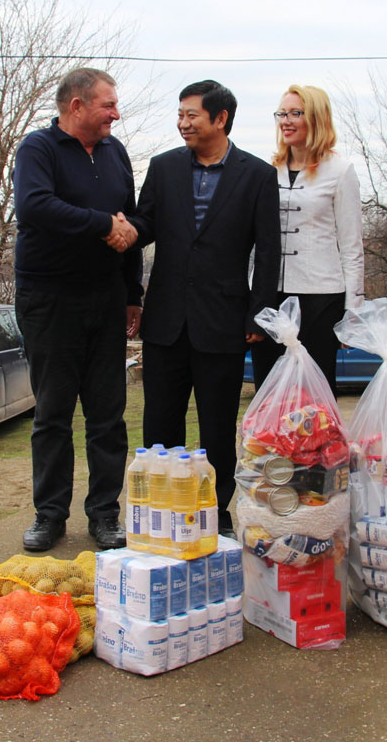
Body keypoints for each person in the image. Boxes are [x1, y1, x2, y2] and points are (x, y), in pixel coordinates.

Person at [117, 80, 280, 538]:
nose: (182, 123)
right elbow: (146, 223)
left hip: (224, 321)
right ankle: (162, 509)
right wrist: (124, 230)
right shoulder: (164, 167)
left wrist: (259, 313)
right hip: (166, 318)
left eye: (192, 115)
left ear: (220, 118)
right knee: (159, 422)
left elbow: (268, 251)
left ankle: (215, 510)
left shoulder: (257, 175)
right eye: (180, 115)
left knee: (217, 425)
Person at [12, 67, 143, 552]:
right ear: (76, 106)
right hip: (49, 299)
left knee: (108, 414)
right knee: (53, 413)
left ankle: (104, 514)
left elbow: (128, 225)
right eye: (108, 105)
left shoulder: (115, 152)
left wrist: (133, 293)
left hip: (105, 298)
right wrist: (102, 224)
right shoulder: (38, 149)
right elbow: (35, 207)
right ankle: (49, 517)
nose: (115, 113)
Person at [251, 84, 364, 395]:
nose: (285, 121)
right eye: (281, 114)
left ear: (316, 118)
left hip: (321, 300)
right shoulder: (267, 170)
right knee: (269, 393)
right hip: (270, 297)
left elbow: (352, 248)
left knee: (314, 396)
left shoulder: (341, 171)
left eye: (295, 113)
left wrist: (351, 313)